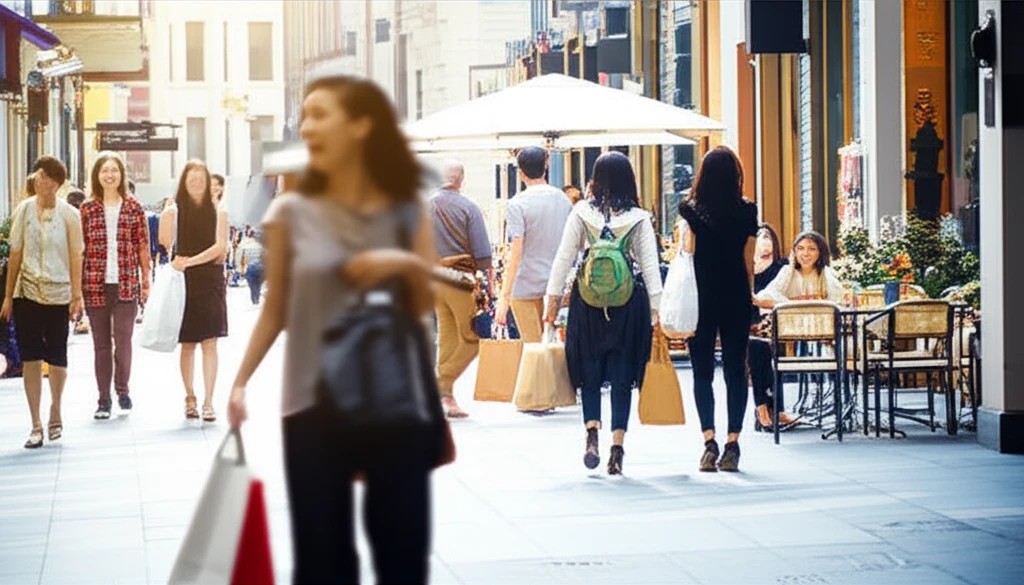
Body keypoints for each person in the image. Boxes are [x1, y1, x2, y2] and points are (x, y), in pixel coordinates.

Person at [227, 74, 444, 585]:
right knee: (323, 562)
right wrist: (238, 382)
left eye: (321, 114)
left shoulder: (405, 206)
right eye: (304, 116)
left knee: (402, 557)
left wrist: (396, 260)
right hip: (311, 405)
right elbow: (275, 308)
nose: (307, 127)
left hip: (395, 400)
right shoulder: (289, 213)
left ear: (362, 125)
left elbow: (423, 301)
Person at [544, 152, 661, 475]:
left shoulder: (581, 213)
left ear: (594, 179)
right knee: (623, 378)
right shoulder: (638, 218)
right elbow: (651, 269)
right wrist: (657, 314)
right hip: (628, 308)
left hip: (588, 305)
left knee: (590, 374)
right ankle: (617, 447)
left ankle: (591, 433)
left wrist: (551, 304)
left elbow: (563, 260)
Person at [679, 146, 758, 473]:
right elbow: (749, 261)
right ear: (735, 175)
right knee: (736, 370)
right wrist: (750, 296)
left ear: (704, 176)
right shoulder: (747, 211)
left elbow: (687, 253)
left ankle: (708, 443)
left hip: (702, 297)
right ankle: (733, 444)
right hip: (736, 295)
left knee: (702, 371)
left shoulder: (690, 211)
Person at [0, 157, 84, 449]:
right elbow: (15, 254)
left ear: (57, 183)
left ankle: (56, 411)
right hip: (27, 293)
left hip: (59, 293)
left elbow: (76, 256)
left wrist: (77, 294)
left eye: (47, 177)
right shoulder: (23, 210)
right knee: (31, 357)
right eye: (38, 175)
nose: (40, 180)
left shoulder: (70, 215)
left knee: (58, 356)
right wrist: (8, 296)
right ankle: (35, 423)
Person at [80, 153, 151, 419]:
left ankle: (122, 389)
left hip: (126, 284)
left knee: (123, 341)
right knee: (101, 345)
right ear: (97, 176)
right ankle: (103, 399)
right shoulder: (87, 209)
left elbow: (142, 246)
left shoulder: (134, 207)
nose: (109, 175)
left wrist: (146, 281)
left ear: (122, 175)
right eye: (104, 171)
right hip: (95, 283)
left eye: (114, 170)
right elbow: (80, 250)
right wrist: (77, 289)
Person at [160, 160, 229, 423]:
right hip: (183, 282)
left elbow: (220, 248)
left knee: (210, 342)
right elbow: (166, 244)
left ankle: (209, 401)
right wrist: (168, 214)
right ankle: (190, 397)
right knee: (187, 343)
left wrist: (189, 261)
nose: (197, 183)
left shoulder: (219, 211)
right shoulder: (176, 210)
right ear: (184, 182)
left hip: (209, 279)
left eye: (201, 178)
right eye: (192, 179)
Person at [430, 159, 492, 419]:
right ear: (461, 179)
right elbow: (483, 253)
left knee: (448, 337)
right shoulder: (468, 207)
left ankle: (447, 399)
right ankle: (440, 385)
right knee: (473, 339)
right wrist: (489, 282)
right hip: (461, 280)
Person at [495, 147, 572, 343]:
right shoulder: (563, 200)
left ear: (520, 172)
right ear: (545, 166)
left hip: (524, 285)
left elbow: (516, 250)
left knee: (532, 349)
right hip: (557, 284)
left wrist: (504, 297)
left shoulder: (517, 204)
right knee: (555, 348)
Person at [748, 223, 792, 430]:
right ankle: (762, 408)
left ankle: (777, 409)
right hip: (750, 323)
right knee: (758, 350)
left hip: (777, 322)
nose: (764, 241)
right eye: (759, 236)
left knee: (772, 353)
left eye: (768, 236)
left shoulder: (782, 268)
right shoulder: (745, 269)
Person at [237, 228, 263, 305]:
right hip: (261, 268)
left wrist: (239, 269)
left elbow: (239, 257)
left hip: (250, 268)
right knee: (258, 284)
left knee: (252, 285)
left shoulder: (245, 245)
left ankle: (254, 299)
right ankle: (257, 298)